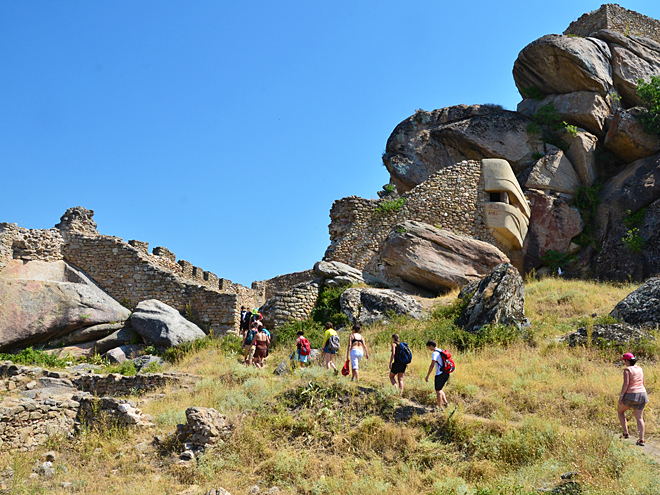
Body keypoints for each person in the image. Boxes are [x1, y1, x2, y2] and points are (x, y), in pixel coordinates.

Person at [618, 352, 648, 446]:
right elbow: (642, 382)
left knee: (620, 411)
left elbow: (626, 384)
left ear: (627, 360)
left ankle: (626, 433)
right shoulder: (640, 368)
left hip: (631, 394)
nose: (624, 363)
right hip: (642, 394)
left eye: (625, 361)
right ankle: (641, 439)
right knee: (639, 417)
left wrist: (621, 396)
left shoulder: (627, 370)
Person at [425, 340, 449, 410]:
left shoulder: (435, 353)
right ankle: (446, 403)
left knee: (438, 391)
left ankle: (439, 408)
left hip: (440, 374)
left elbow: (432, 365)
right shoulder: (441, 350)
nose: (429, 349)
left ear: (431, 346)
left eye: (429, 347)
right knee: (440, 389)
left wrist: (428, 375)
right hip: (446, 373)